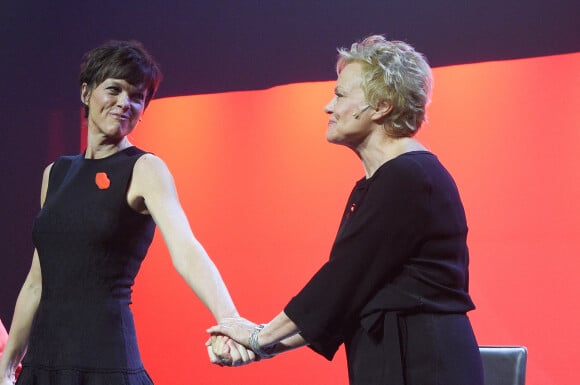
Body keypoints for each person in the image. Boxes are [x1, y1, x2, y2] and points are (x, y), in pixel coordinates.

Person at [207, 35, 484, 385]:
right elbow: (346, 298)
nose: (328, 107)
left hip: (422, 364)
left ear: (381, 106)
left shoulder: (409, 177)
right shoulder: (388, 179)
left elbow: (340, 280)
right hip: (395, 358)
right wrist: (264, 345)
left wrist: (259, 337)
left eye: (339, 95)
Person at [0, 40, 253, 385]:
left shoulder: (145, 169)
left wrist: (230, 318)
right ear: (86, 93)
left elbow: (186, 248)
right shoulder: (55, 173)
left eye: (137, 96)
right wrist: (8, 362)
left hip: (105, 361)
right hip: (44, 365)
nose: (125, 103)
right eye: (114, 90)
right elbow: (36, 281)